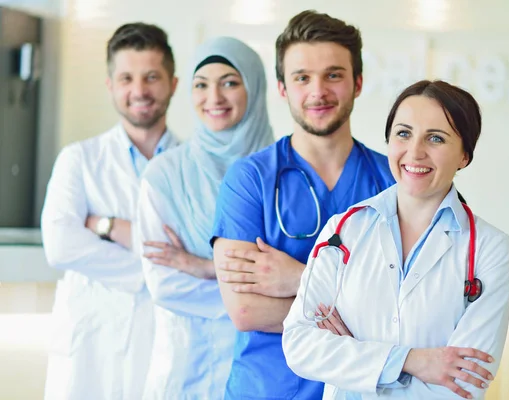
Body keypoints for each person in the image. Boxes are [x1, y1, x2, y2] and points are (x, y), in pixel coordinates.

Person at [282, 80, 509, 400]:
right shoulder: (344, 230)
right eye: (403, 134)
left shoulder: (489, 249)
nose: (415, 152)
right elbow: (299, 345)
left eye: (435, 138)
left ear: (464, 155)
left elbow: (467, 380)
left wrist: (356, 356)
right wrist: (414, 361)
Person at [210, 10, 396, 400]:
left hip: (365, 391)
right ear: (282, 88)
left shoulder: (395, 181)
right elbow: (246, 311)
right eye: (301, 78)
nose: (318, 92)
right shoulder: (250, 180)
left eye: (333, 75)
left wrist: (299, 278)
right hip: (268, 390)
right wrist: (365, 310)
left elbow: (413, 311)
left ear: (358, 82)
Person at [41, 23, 179, 400]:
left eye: (152, 77)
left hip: (165, 343)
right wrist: (160, 266)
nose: (139, 90)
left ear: (173, 83)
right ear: (110, 86)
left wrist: (105, 226)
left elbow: (201, 255)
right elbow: (60, 245)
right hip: (91, 346)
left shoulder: (193, 166)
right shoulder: (79, 160)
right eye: (126, 78)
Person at [137, 36, 274, 399]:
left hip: (270, 368)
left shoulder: (283, 169)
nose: (214, 98)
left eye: (230, 82)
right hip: (188, 363)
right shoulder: (165, 174)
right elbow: (163, 282)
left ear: (255, 87)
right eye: (201, 85)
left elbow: (309, 274)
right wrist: (254, 291)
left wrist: (203, 266)